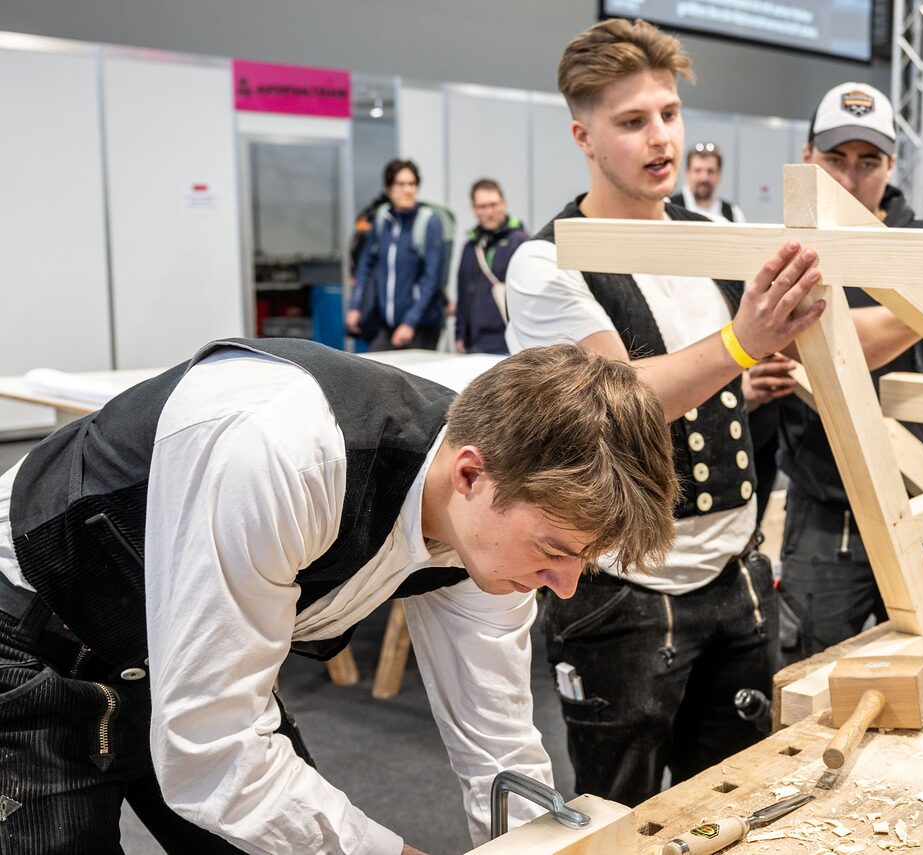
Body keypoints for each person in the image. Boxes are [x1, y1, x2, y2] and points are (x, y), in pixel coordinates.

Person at [505, 24, 923, 803]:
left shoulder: (717, 241)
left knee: (740, 799)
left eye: (668, 113)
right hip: (624, 592)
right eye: (632, 122)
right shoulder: (548, 261)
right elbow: (616, 398)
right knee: (619, 813)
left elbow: (831, 342)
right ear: (583, 135)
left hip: (733, 578)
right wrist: (741, 342)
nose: (660, 137)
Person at [0, 339, 678, 854]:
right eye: (557, 550)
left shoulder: (496, 524)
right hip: (32, 627)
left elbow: (496, 740)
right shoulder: (283, 451)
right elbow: (214, 750)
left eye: (583, 560)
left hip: (175, 640)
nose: (563, 583)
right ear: (471, 473)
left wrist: (535, 844)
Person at [775, 80, 923, 658]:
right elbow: (825, 342)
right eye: (835, 160)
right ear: (807, 159)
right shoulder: (788, 252)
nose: (850, 179)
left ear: (892, 164)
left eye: (868, 161)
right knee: (817, 688)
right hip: (829, 509)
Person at [347, 159, 449, 351]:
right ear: (388, 189)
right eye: (400, 184)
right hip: (387, 324)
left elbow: (432, 279)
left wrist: (410, 322)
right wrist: (355, 306)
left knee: (415, 378)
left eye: (412, 184)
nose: (407, 190)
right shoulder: (382, 219)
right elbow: (366, 264)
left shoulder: (429, 222)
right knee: (375, 370)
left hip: (421, 326)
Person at [455, 179, 528, 355]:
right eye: (482, 207)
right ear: (473, 208)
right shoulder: (471, 246)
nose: (489, 212)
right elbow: (463, 293)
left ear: (504, 203)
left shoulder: (519, 241)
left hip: (507, 342)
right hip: (474, 341)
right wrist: (460, 335)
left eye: (493, 205)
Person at [673, 142, 745, 222]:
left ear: (719, 175)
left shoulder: (733, 214)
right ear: (687, 174)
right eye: (698, 171)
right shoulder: (669, 208)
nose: (704, 178)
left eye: (710, 171)